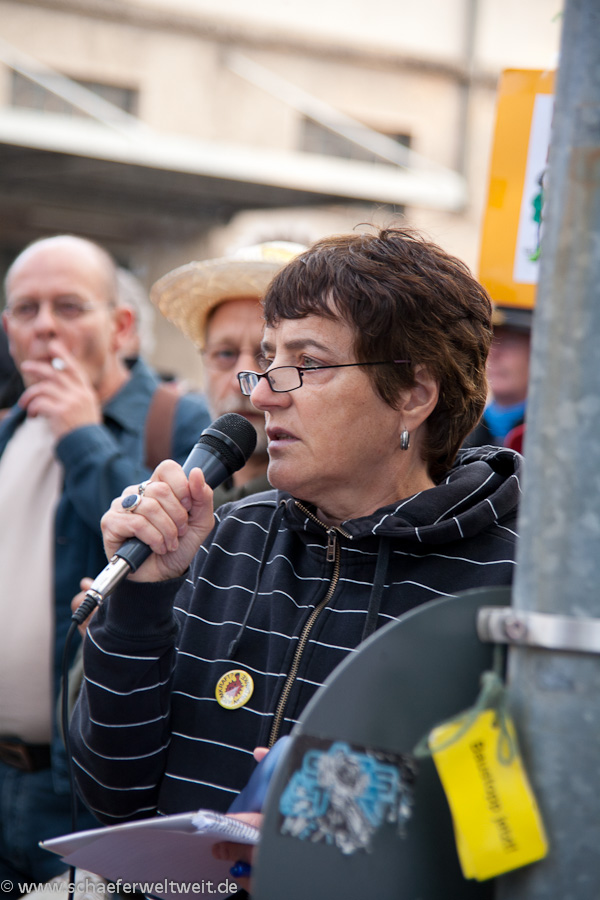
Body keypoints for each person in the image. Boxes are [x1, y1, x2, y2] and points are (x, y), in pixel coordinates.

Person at [70, 226, 522, 892]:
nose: (262, 395)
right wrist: (141, 598)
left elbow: (525, 830)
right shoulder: (225, 536)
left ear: (413, 394)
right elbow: (114, 795)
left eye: (305, 364)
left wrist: (333, 826)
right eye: (266, 361)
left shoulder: (515, 579)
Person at [0, 234, 211, 890]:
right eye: (25, 309)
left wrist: (84, 435)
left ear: (120, 326)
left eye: (68, 307)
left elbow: (159, 548)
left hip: (84, 787)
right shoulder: (9, 428)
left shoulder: (178, 421)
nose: (44, 327)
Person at [150, 241, 306, 507]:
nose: (241, 382)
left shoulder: (334, 516)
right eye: (225, 354)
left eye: (268, 358)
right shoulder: (173, 497)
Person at [463, 305, 532, 452]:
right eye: (489, 340)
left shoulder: (553, 436)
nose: (494, 353)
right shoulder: (463, 434)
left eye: (510, 341)